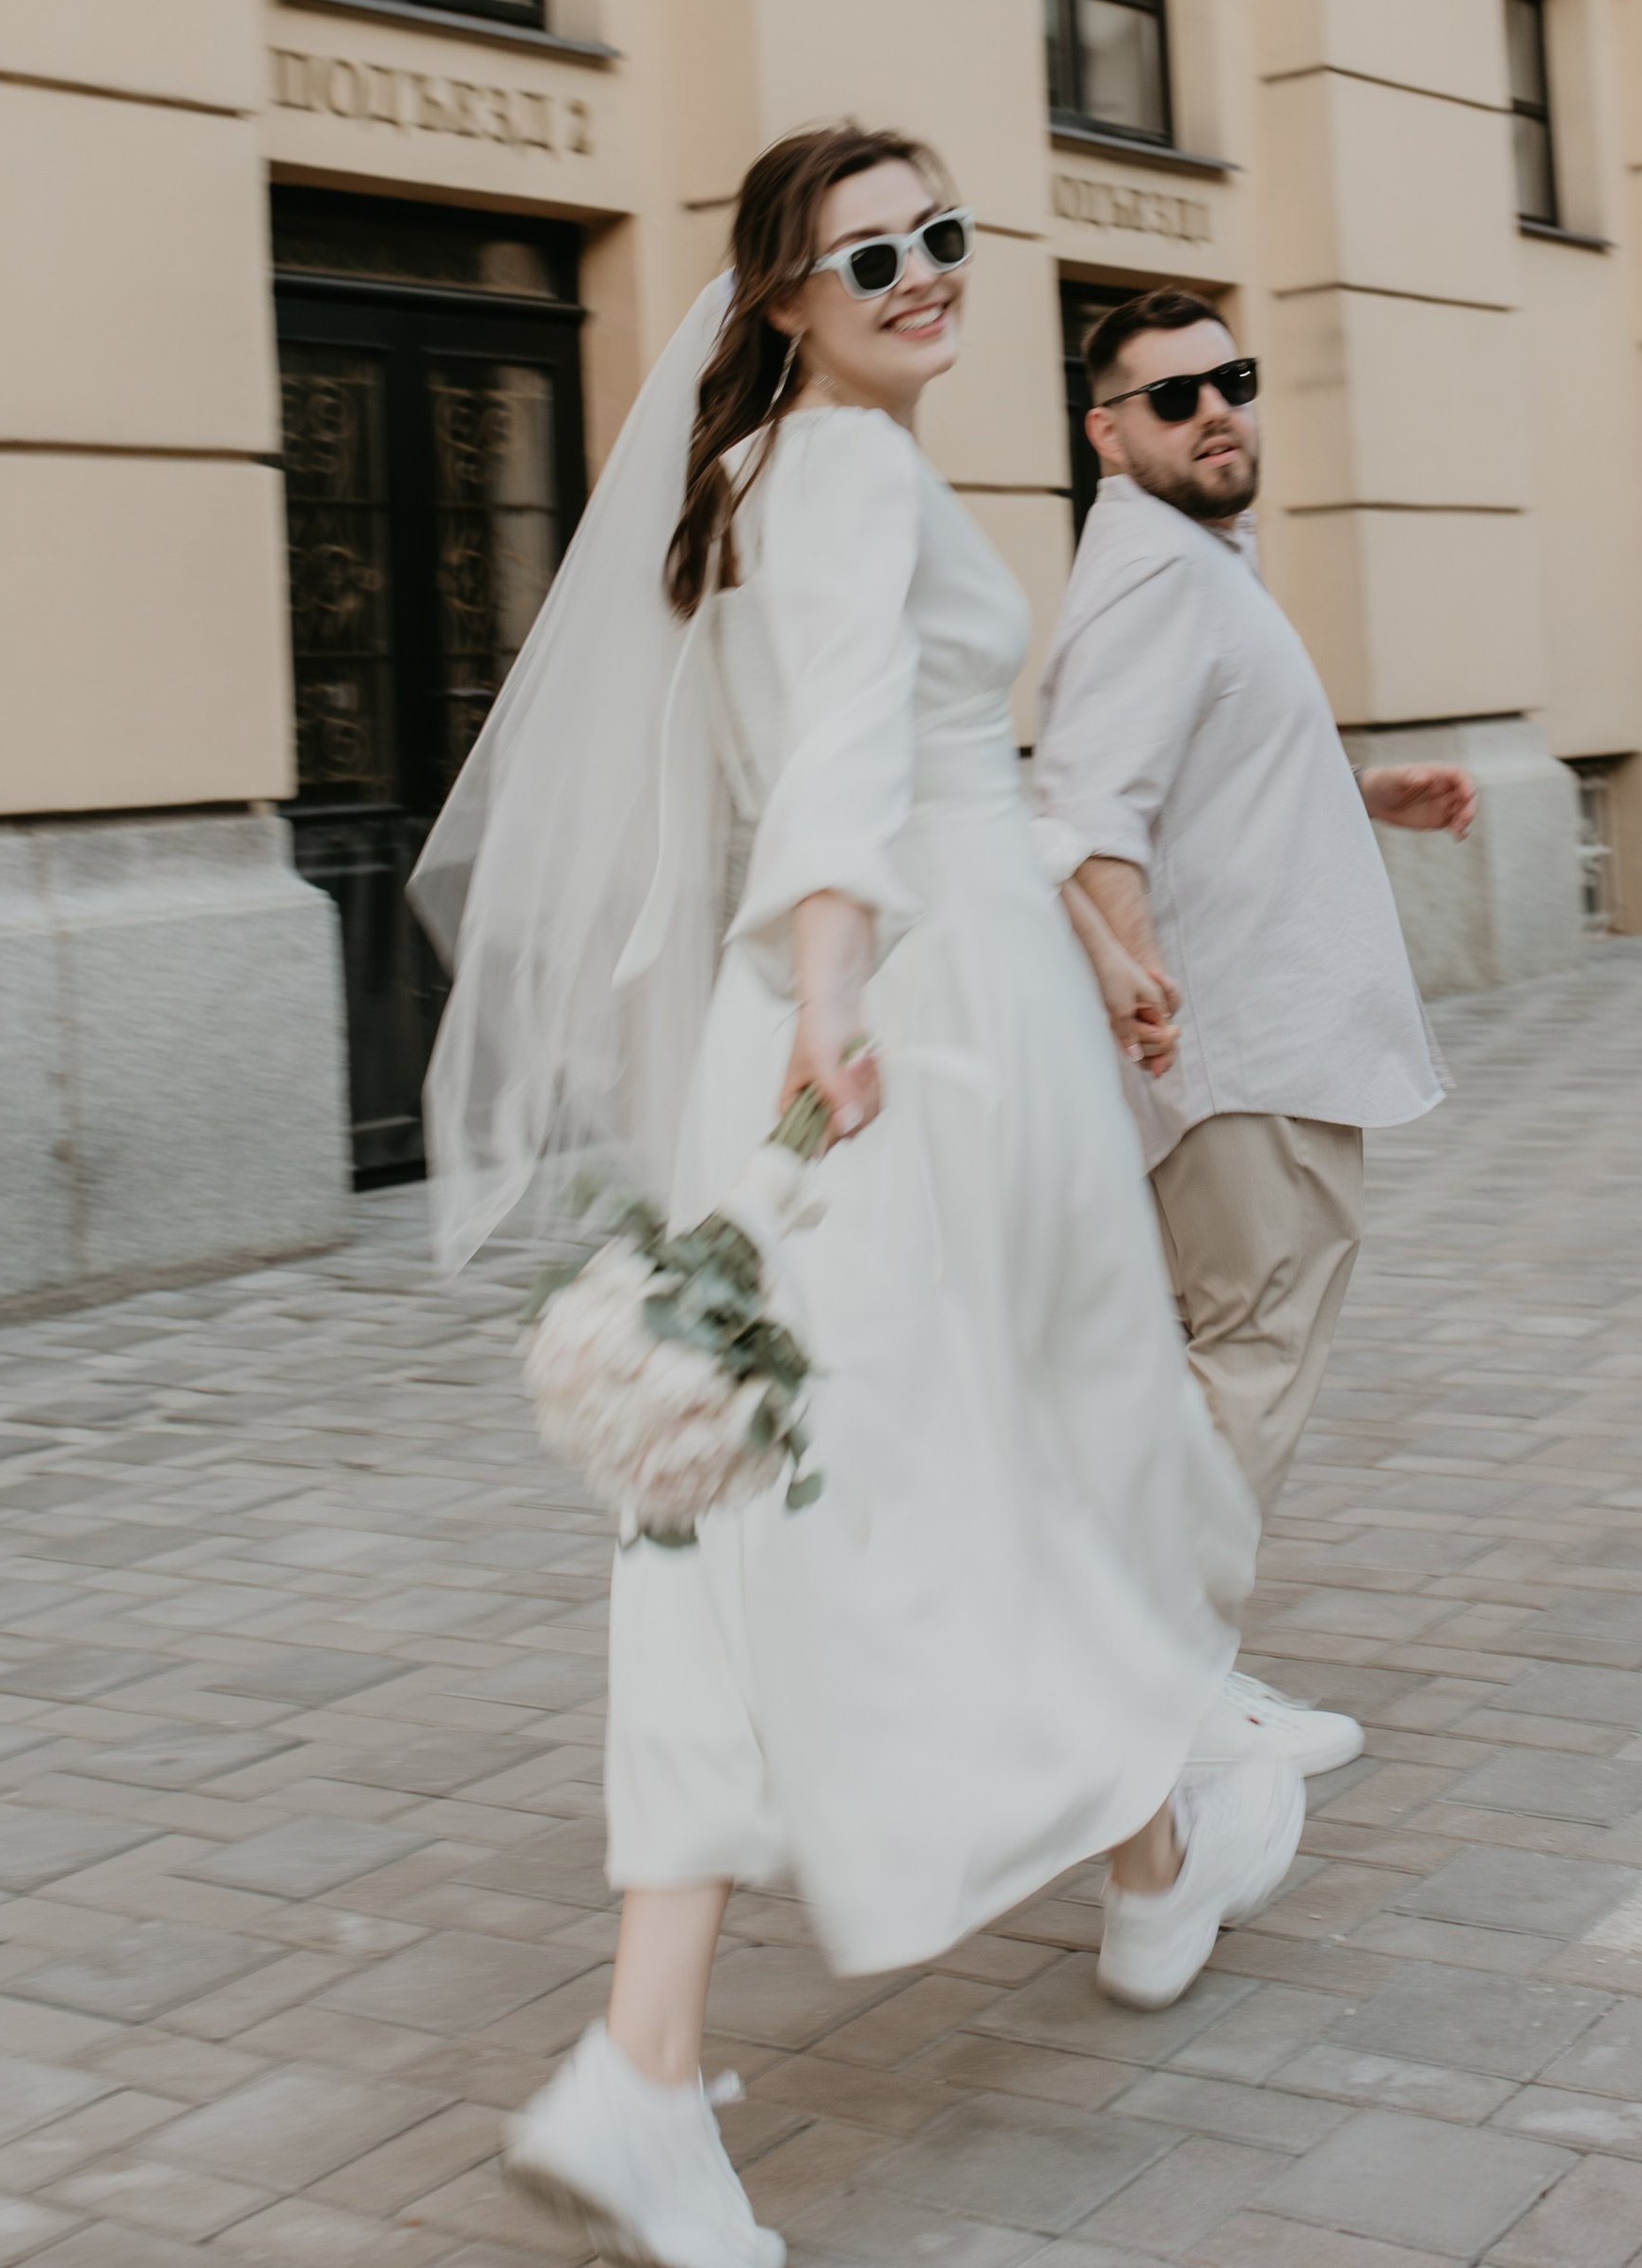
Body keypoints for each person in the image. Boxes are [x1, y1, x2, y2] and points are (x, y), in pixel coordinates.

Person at [415, 134, 1300, 2268]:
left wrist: (1082, 939)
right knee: (909, 1479)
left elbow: (925, 764)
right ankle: (1120, 1859)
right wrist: (831, 990)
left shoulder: (786, 475)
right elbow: (825, 760)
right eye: (865, 257)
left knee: (937, 1461)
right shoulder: (839, 472)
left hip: (945, 999)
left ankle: (1146, 1854)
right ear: (785, 301)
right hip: (899, 1042)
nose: (918, 277)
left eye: (939, 238)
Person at [1034, 288, 1475, 1779]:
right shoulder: (1160, 572)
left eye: (1231, 379)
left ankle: (1162, 1666)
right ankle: (1164, 1695)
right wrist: (1151, 1000)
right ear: (1109, 434)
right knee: (1249, 1359)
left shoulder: (1194, 560)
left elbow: (1202, 776)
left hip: (1247, 1045)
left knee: (1199, 1368)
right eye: (1173, 397)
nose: (1217, 409)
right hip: (1235, 1059)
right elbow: (1090, 811)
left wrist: (1364, 795)